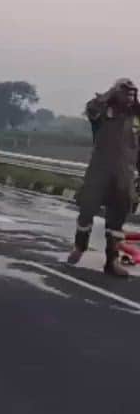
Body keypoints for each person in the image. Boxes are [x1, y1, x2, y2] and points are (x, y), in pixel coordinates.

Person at [68, 78, 139, 277]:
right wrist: (109, 94)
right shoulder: (103, 113)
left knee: (117, 218)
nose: (131, 96)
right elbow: (91, 109)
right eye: (126, 92)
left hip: (124, 174)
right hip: (99, 171)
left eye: (133, 93)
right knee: (87, 209)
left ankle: (112, 261)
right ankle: (80, 246)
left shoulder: (136, 118)